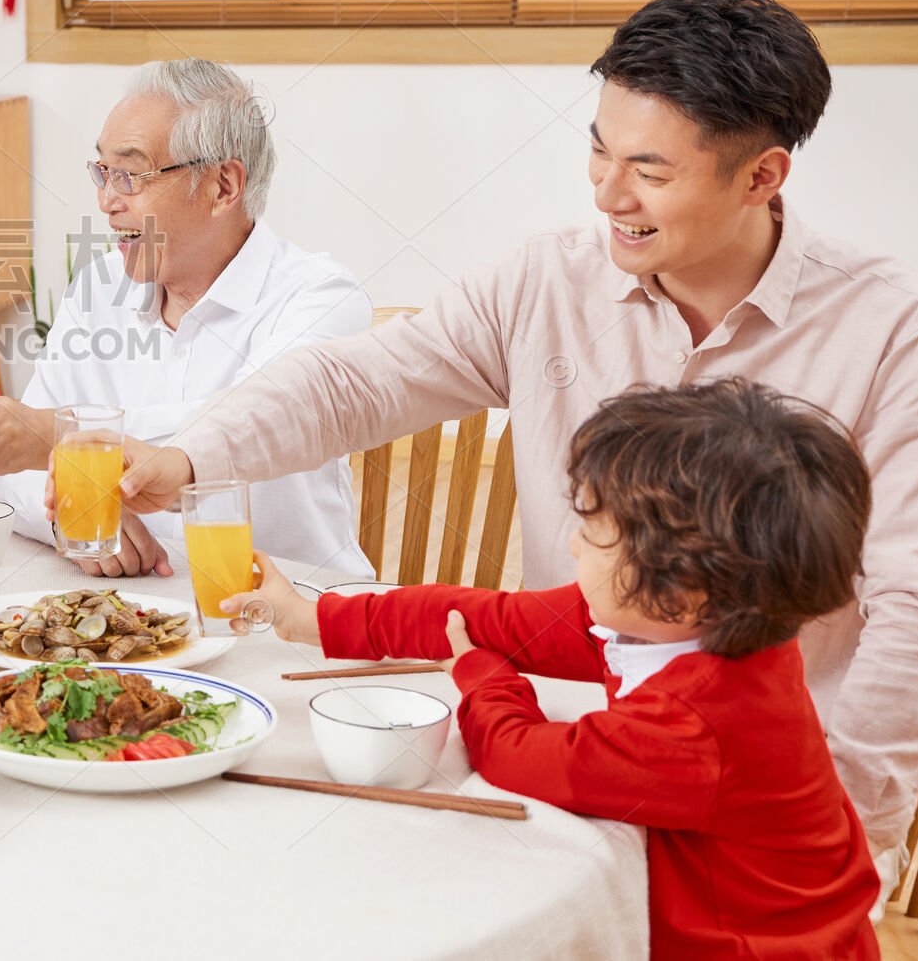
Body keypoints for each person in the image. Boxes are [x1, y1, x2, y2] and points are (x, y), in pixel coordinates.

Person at [119, 0, 918, 878]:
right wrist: (188, 455)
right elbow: (360, 381)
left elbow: (913, 610)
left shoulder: (890, 332)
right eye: (598, 151)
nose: (608, 194)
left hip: (779, 814)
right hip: (577, 759)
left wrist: (846, 822)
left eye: (650, 172)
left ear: (762, 175)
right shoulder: (546, 281)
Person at [228, 379, 880, 958]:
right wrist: (315, 619)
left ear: (684, 591)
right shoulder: (702, 620)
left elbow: (520, 754)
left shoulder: (693, 723)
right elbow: (481, 616)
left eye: (594, 533)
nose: (571, 542)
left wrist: (483, 679)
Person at [0, 58, 370, 578]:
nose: (107, 201)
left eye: (130, 174)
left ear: (223, 186)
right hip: (138, 608)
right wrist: (78, 518)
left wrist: (62, 441)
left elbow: (251, 423)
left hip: (289, 611)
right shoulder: (99, 288)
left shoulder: (321, 298)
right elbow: (13, 478)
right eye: (102, 172)